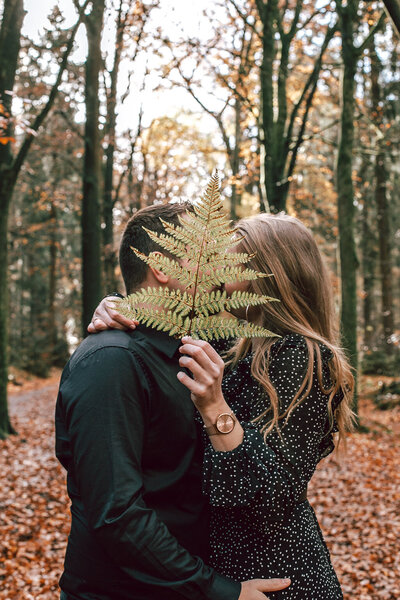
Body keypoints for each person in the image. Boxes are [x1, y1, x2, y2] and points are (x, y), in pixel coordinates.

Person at [91, 211, 355, 599]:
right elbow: (164, 327)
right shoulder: (230, 345)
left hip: (274, 576)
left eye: (230, 258)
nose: (216, 266)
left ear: (268, 272)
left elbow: (271, 503)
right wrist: (118, 304)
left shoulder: (308, 358)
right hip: (218, 569)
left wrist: (215, 407)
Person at [55, 202, 291, 600]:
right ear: (162, 268)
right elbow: (117, 514)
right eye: (206, 256)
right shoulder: (111, 362)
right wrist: (220, 592)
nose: (220, 270)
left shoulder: (194, 349)